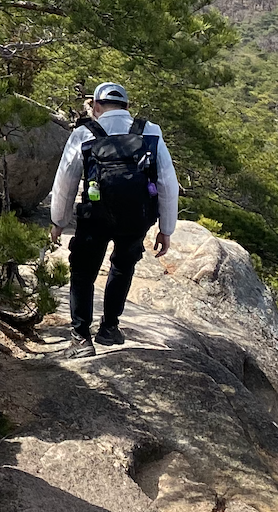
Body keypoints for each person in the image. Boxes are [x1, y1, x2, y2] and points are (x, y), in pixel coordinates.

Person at [47, 81, 179, 360]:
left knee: (83, 271)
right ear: (126, 108)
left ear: (96, 106)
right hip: (135, 217)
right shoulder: (149, 131)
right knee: (123, 265)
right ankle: (109, 327)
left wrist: (58, 220)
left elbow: (66, 180)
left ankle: (81, 337)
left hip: (95, 216)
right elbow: (167, 182)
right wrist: (166, 229)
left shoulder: (84, 132)